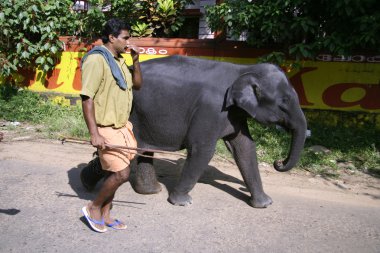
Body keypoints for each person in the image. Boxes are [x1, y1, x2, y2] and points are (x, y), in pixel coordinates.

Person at [80, 18, 142, 233]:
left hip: (122, 127)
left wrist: (136, 60)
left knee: (113, 173)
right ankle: (93, 207)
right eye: (125, 37)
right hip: (105, 128)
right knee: (122, 174)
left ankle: (106, 214)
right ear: (112, 37)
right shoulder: (97, 60)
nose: (128, 41)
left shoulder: (121, 60)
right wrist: (94, 133)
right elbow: (87, 98)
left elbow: (137, 85)